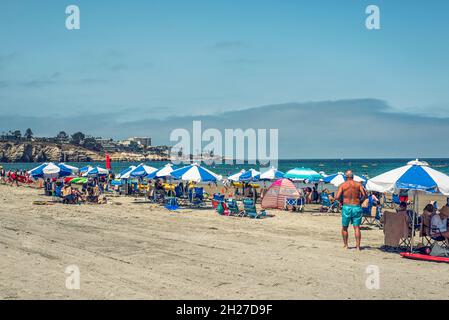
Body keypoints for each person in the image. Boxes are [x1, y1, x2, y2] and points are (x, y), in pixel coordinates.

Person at [335, 170, 367, 250]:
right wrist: (360, 201)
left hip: (346, 207)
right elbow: (364, 195)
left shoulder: (343, 185)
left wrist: (341, 202)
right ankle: (358, 246)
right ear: (353, 176)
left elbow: (337, 197)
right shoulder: (358, 184)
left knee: (345, 227)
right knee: (357, 227)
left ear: (346, 177)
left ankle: (346, 245)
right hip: (356, 206)